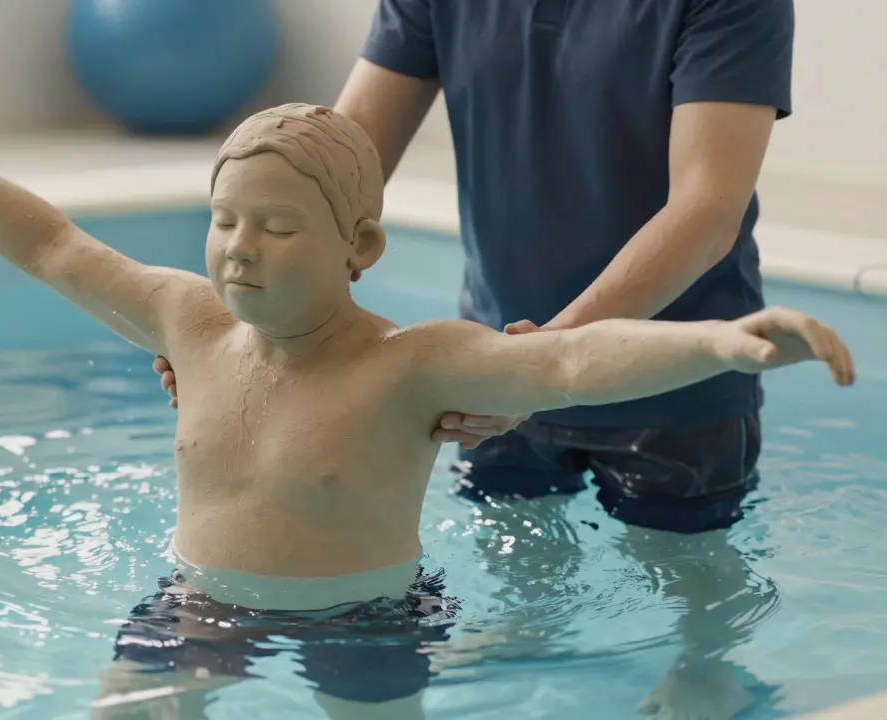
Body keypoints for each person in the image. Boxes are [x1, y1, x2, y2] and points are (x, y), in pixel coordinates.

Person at [0, 83, 851, 718]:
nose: (238, 249)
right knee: (126, 714)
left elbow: (567, 368)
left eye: (275, 226)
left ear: (360, 249)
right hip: (196, 602)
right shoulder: (189, 327)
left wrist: (725, 341)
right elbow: (51, 244)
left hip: (370, 615)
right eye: (223, 221)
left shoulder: (410, 365)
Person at [152, 0, 798, 716]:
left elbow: (708, 208)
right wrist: (248, 330)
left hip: (670, 369)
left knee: (689, 562)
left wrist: (541, 360)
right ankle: (527, 632)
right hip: (492, 359)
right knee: (517, 543)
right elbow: (334, 163)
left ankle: (704, 664)